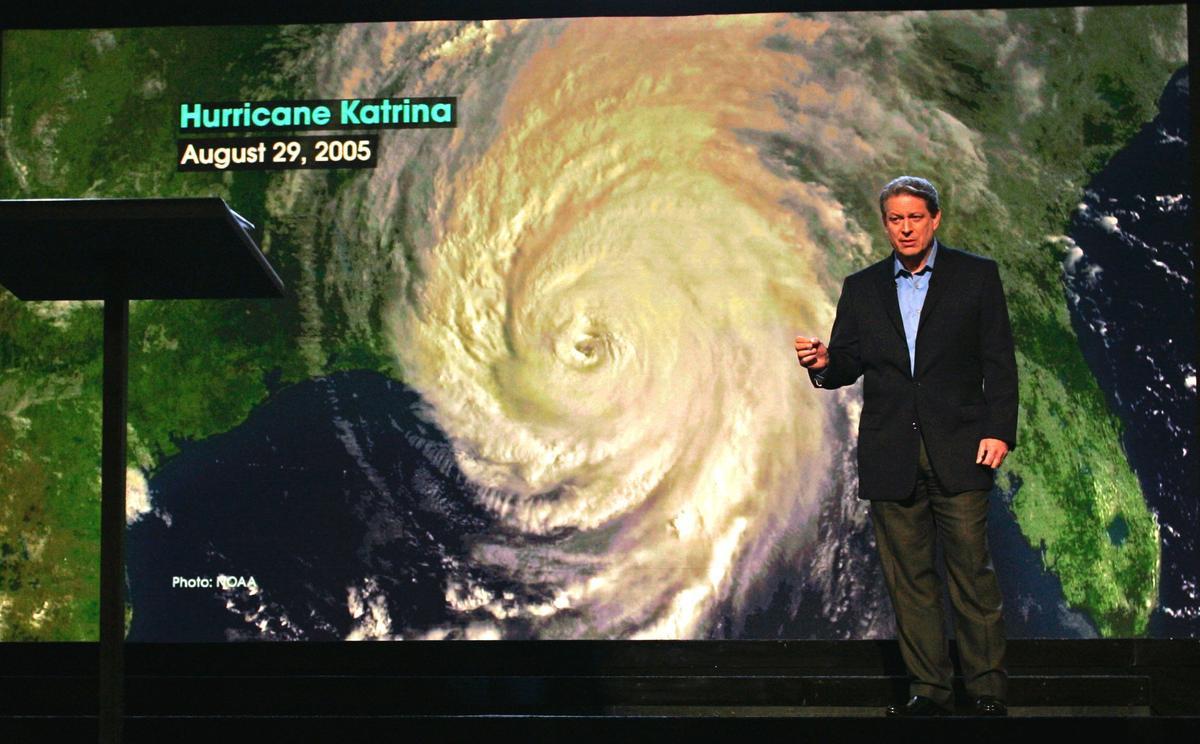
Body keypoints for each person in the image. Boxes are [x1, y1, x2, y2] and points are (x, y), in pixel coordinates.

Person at [795, 176, 1017, 717]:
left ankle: (986, 691)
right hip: (891, 455)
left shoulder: (976, 277)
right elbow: (847, 363)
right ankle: (930, 691)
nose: (906, 227)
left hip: (962, 451)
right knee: (910, 581)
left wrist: (999, 430)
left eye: (915, 217)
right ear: (886, 224)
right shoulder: (862, 287)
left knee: (972, 576)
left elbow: (999, 364)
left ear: (935, 219)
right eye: (895, 219)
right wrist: (824, 364)